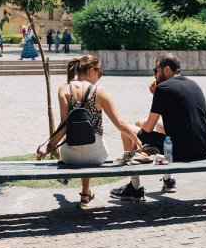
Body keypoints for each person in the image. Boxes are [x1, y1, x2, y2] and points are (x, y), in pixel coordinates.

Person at [36, 55, 143, 207]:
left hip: (70, 156)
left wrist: (48, 146)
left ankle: (85, 191)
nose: (99, 77)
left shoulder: (64, 89)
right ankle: (85, 192)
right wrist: (139, 144)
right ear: (92, 70)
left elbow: (64, 124)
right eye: (100, 73)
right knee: (92, 138)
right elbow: (120, 124)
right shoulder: (100, 91)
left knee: (77, 140)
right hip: (96, 155)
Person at [110, 52, 206, 201]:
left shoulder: (163, 88)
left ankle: (134, 187)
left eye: (156, 70)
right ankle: (169, 180)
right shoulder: (193, 84)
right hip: (203, 147)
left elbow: (147, 127)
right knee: (161, 127)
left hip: (183, 150)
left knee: (127, 130)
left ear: (166, 70)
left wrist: (139, 122)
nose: (154, 75)